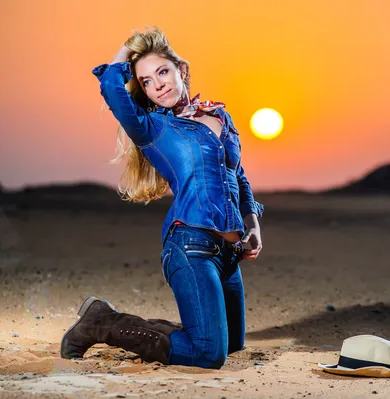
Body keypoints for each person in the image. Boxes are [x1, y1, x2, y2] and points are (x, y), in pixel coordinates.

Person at [60, 27, 264, 369]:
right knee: (208, 354)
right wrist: (130, 47)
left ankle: (148, 325)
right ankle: (103, 323)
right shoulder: (151, 128)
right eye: (146, 81)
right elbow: (111, 86)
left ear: (180, 70)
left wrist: (252, 224)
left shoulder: (219, 117)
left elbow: (238, 176)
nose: (158, 84)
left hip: (229, 253)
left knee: (232, 344)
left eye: (163, 72)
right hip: (190, 247)